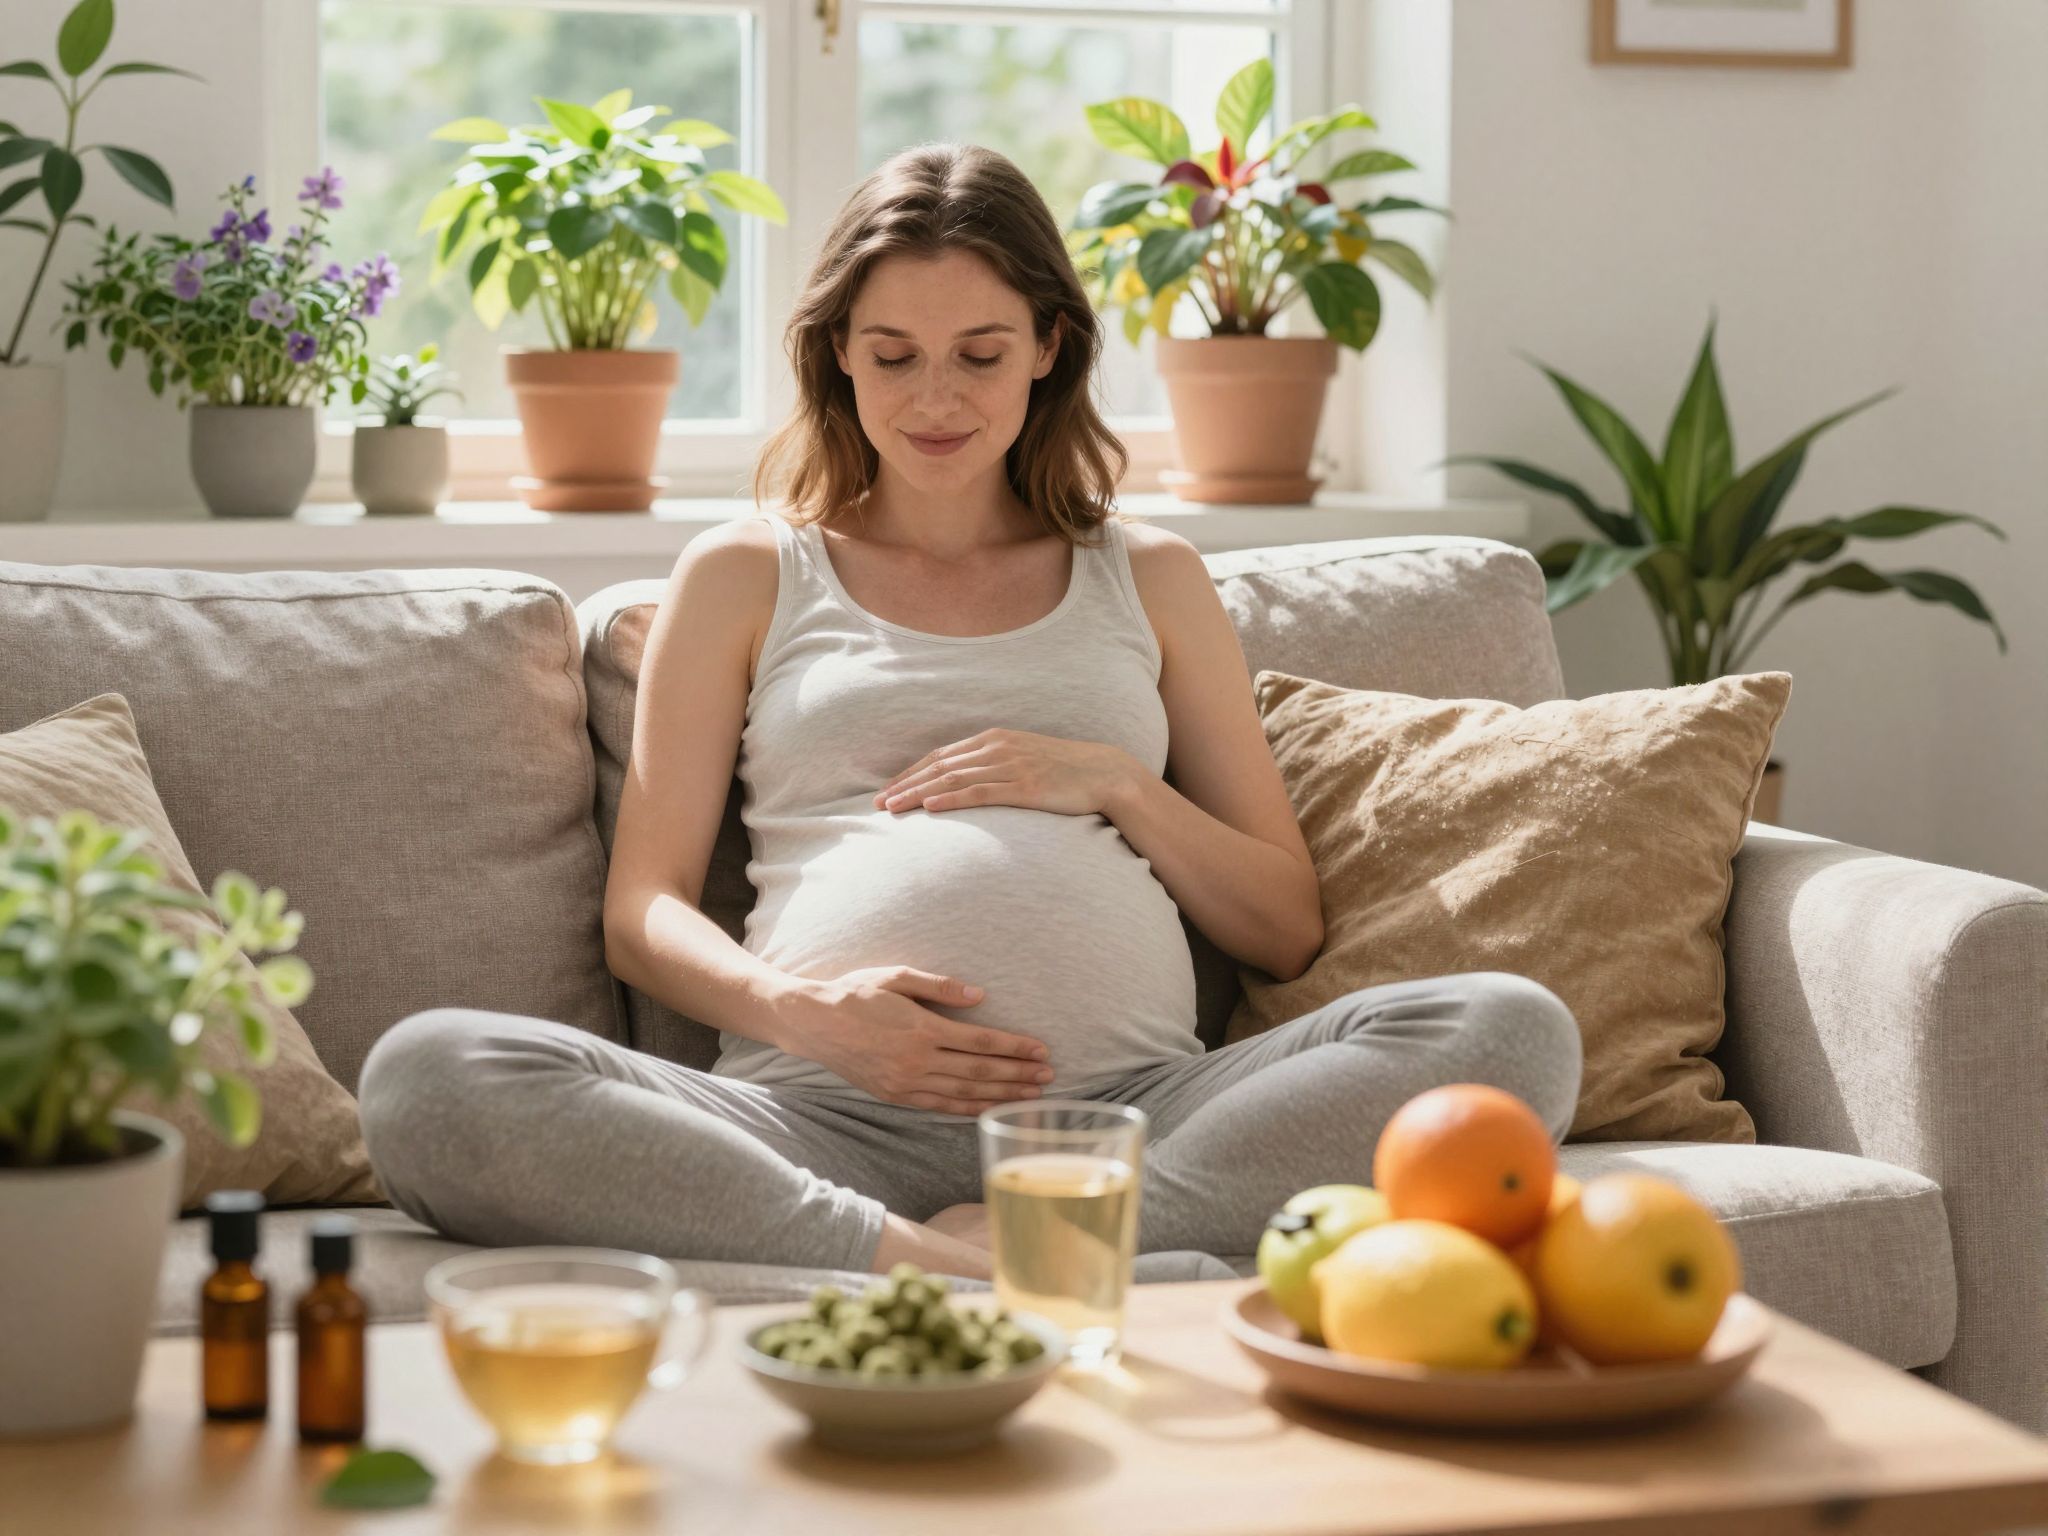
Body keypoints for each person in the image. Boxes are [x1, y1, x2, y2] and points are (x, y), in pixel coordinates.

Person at [358, 143, 1582, 1281]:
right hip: (812, 1117)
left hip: (1137, 1120)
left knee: (1508, 1029)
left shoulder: (1145, 575)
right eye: (891, 353)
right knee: (428, 1080)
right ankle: (951, 1260)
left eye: (980, 354)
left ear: (1050, 346)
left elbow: (1282, 925)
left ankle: (1030, 1235)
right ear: (837, 348)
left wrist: (1111, 782)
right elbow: (643, 915)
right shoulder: (746, 572)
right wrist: (809, 1017)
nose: (933, 397)